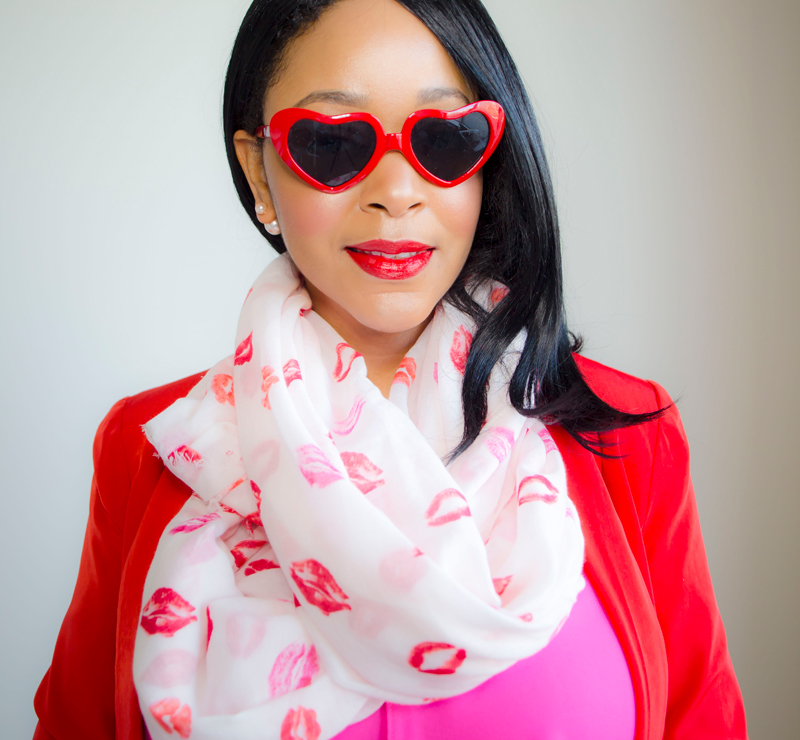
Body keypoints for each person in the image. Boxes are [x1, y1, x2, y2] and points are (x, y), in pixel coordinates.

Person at [32, 1, 747, 738]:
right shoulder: (155, 452)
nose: (396, 192)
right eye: (336, 143)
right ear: (257, 167)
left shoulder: (628, 437)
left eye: (443, 139)